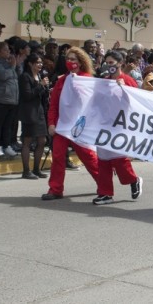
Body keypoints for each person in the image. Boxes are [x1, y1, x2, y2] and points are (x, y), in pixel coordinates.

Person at [42, 47, 100, 200]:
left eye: (74, 59)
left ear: (81, 62)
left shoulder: (87, 80)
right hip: (62, 126)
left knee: (88, 157)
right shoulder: (62, 80)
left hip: (80, 127)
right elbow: (53, 105)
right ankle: (55, 189)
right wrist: (51, 124)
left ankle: (104, 184)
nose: (70, 62)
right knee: (58, 157)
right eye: (68, 59)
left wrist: (77, 84)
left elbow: (91, 103)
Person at [93, 50, 143, 205]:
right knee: (103, 161)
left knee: (120, 160)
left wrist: (124, 89)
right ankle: (105, 193)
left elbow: (137, 102)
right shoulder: (104, 81)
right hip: (105, 125)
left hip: (122, 126)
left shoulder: (127, 80)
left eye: (111, 63)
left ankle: (134, 180)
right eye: (106, 63)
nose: (108, 66)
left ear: (120, 63)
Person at [18, 54, 50, 179]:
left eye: (41, 62)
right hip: (29, 112)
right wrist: (40, 85)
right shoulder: (25, 77)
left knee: (42, 140)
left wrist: (46, 88)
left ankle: (36, 169)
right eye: (37, 62)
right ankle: (26, 170)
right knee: (27, 141)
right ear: (30, 63)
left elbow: (40, 94)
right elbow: (27, 95)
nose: (40, 65)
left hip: (39, 111)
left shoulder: (40, 76)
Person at [0, 42, 19, 157]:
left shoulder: (8, 63)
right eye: (5, 50)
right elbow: (3, 75)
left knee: (8, 125)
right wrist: (12, 66)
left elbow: (16, 76)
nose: (8, 52)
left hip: (11, 100)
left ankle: (6, 145)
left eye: (8, 50)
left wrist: (15, 65)